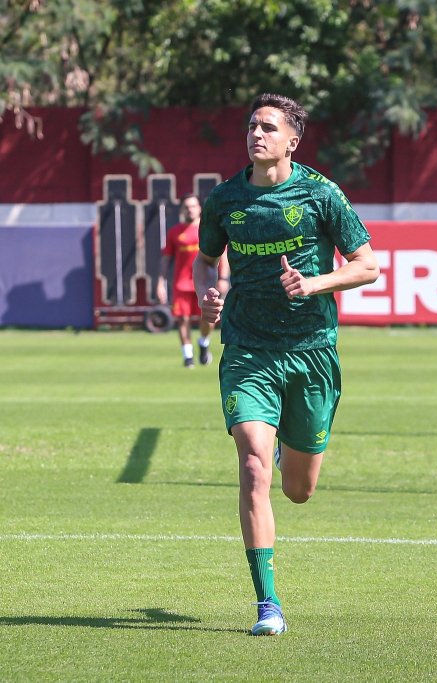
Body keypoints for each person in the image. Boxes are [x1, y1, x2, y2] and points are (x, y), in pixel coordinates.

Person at [192, 93, 379, 636]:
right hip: (248, 350)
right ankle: (267, 604)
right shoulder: (226, 198)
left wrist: (314, 283)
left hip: (312, 354)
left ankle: (288, 454)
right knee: (253, 462)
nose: (257, 134)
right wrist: (209, 294)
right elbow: (206, 262)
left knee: (298, 490)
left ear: (292, 140)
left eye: (269, 127)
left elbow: (367, 264)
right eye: (252, 125)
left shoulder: (322, 194)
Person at [156, 194, 229, 368]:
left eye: (193, 206)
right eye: (186, 206)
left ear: (199, 208)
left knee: (208, 318)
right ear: (182, 210)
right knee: (182, 319)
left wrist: (224, 278)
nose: (190, 209)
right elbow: (166, 259)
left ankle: (203, 342)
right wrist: (160, 282)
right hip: (181, 284)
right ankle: (188, 356)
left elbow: (223, 254)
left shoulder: (208, 230)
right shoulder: (175, 232)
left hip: (205, 283)